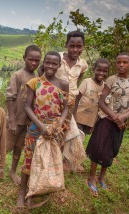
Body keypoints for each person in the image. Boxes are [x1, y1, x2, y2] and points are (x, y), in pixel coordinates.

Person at [17, 51, 69, 208]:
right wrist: (40, 125)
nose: (51, 66)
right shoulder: (35, 82)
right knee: (29, 159)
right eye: (48, 62)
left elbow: (66, 108)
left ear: (59, 65)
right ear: (43, 63)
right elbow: (27, 106)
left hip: (54, 130)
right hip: (36, 127)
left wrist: (58, 125)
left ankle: (36, 190)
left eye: (54, 63)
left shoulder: (63, 84)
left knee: (46, 160)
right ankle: (22, 192)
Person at [86, 52, 129, 196]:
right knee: (98, 147)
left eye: (125, 62)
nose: (121, 65)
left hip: (121, 122)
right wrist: (115, 117)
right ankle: (91, 177)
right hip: (107, 119)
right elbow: (101, 102)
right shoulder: (111, 80)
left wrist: (124, 117)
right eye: (118, 62)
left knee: (111, 149)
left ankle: (101, 177)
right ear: (116, 64)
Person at [6, 44, 41, 185]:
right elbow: (10, 98)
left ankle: (13, 171)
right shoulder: (18, 75)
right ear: (24, 58)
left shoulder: (37, 77)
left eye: (37, 60)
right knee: (6, 147)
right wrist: (12, 120)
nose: (33, 63)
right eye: (30, 59)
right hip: (16, 119)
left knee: (19, 147)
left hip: (27, 122)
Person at [55, 30, 89, 172]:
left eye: (79, 46)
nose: (75, 49)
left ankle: (68, 160)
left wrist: (73, 92)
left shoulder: (83, 64)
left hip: (70, 102)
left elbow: (79, 78)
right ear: (66, 45)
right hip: (55, 101)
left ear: (83, 46)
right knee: (57, 129)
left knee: (69, 129)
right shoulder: (57, 58)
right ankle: (56, 160)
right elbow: (44, 71)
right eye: (72, 46)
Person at [73, 58, 110, 134]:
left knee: (82, 138)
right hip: (78, 118)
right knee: (75, 139)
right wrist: (73, 116)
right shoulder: (86, 82)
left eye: (104, 71)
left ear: (107, 72)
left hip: (90, 121)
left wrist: (95, 123)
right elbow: (76, 99)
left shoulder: (105, 86)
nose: (101, 73)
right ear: (94, 69)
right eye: (99, 70)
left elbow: (102, 106)